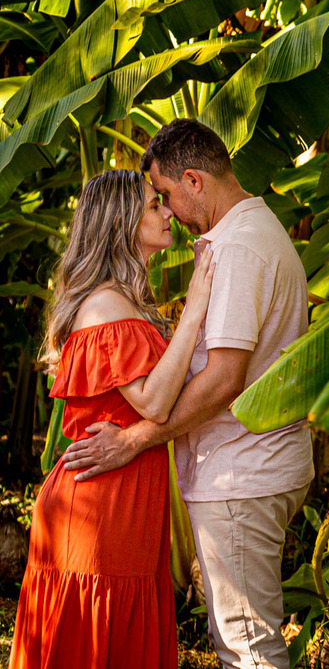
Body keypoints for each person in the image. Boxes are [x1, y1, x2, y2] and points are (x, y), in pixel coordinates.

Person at [62, 119, 315, 669]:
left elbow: (224, 379)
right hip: (231, 471)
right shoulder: (246, 235)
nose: (169, 210)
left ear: (195, 181)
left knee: (248, 650)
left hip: (239, 473)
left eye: (168, 196)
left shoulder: (239, 249)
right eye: (157, 205)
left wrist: (134, 441)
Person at [10, 169, 216, 669]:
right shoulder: (105, 303)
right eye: (154, 205)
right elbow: (154, 403)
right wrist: (196, 306)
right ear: (122, 223)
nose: (168, 211)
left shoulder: (124, 300)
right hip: (101, 510)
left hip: (119, 500)